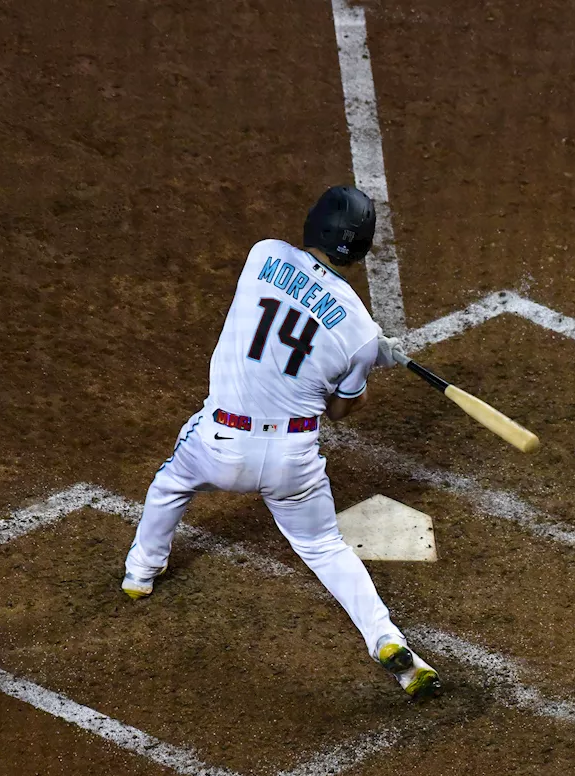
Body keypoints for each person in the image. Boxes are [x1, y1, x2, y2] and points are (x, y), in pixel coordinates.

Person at [121, 185, 441, 700]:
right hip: (293, 461)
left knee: (171, 483)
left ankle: (140, 573)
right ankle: (387, 639)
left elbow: (295, 303)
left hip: (219, 442)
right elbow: (339, 409)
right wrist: (369, 357)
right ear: (361, 249)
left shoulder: (263, 255)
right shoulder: (360, 331)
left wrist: (364, 348)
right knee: (324, 546)